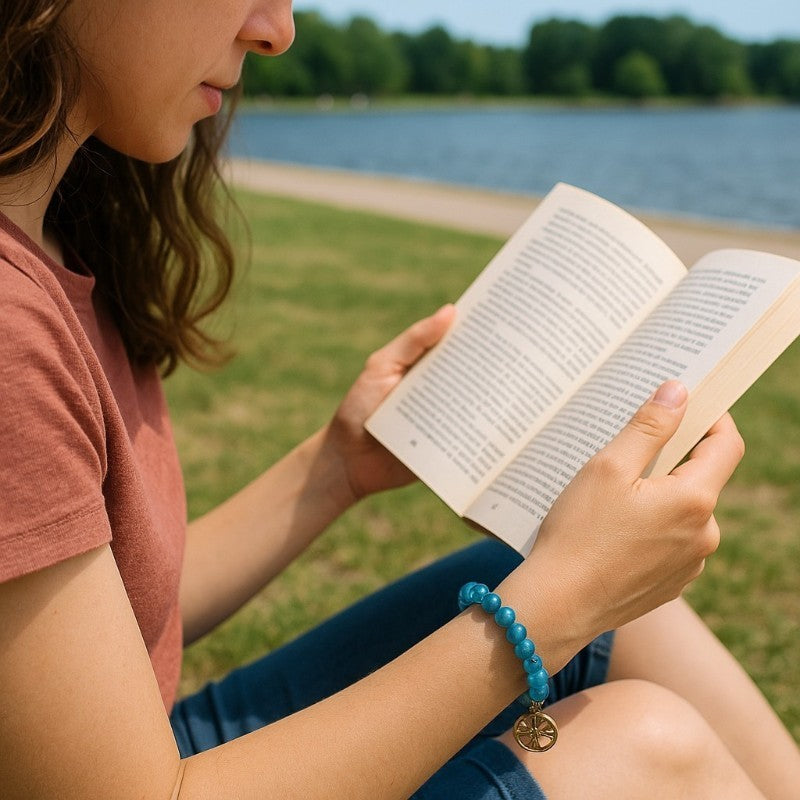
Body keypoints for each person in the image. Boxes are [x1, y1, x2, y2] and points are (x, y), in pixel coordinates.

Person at [0, 2, 798, 798]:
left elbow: (117, 617)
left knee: (630, 618)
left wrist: (335, 467)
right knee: (645, 747)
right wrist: (563, 596)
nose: (277, 31)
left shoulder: (58, 232)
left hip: (138, 739)